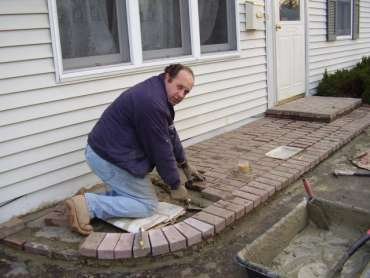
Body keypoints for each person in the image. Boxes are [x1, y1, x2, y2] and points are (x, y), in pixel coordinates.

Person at [65, 64, 205, 235]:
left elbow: (169, 133)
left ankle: (93, 198)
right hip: (108, 159)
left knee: (132, 196)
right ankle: (88, 205)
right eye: (179, 87)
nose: (181, 95)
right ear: (167, 77)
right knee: (147, 206)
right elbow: (161, 149)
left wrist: (184, 163)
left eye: (186, 92)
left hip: (109, 152)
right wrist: (175, 184)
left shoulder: (159, 93)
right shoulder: (152, 103)